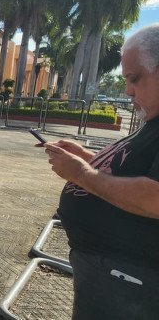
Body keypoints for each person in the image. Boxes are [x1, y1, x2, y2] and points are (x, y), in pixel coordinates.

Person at [43, 24, 159, 319]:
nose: (128, 90)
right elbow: (133, 172)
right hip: (108, 271)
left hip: (129, 281)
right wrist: (87, 157)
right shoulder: (153, 123)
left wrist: (82, 173)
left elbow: (155, 197)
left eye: (135, 79)